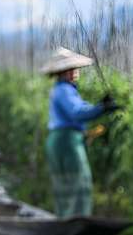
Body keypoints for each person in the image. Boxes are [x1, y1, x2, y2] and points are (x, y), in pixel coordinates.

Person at [41, 47, 118, 218]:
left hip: (59, 140)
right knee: (79, 182)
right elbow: (78, 113)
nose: (75, 72)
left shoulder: (62, 90)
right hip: (66, 141)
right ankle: (77, 221)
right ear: (62, 72)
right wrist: (102, 108)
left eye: (75, 69)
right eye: (70, 69)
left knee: (64, 184)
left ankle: (64, 220)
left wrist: (101, 106)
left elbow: (80, 108)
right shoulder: (64, 90)